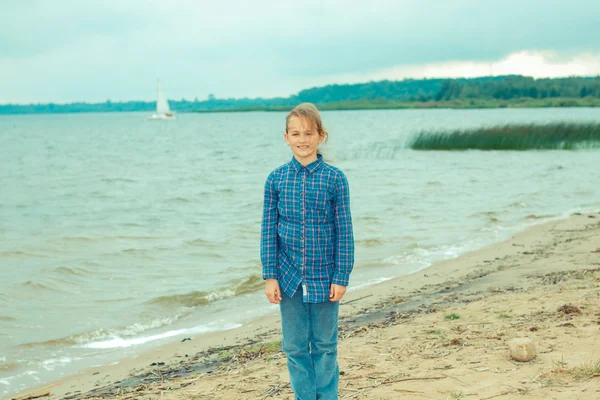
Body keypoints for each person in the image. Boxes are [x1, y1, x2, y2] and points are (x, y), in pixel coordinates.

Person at [260, 102, 355, 399]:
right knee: (295, 347)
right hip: (288, 279)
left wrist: (341, 276)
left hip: (325, 277)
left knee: (325, 346)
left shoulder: (335, 178)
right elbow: (267, 232)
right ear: (286, 138)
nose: (302, 139)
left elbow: (344, 232)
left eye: (308, 133)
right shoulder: (276, 179)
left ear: (320, 136)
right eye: (296, 133)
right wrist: (270, 276)